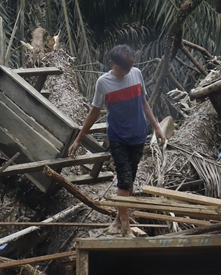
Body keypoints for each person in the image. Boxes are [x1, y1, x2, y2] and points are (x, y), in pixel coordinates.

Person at [68, 45, 165, 236]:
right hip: (118, 137)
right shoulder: (103, 83)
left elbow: (144, 103)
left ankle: (117, 219)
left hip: (138, 135)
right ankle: (126, 227)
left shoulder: (136, 74)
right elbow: (94, 112)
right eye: (121, 70)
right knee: (124, 180)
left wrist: (157, 127)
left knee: (130, 181)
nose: (124, 74)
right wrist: (79, 139)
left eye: (127, 70)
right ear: (111, 64)